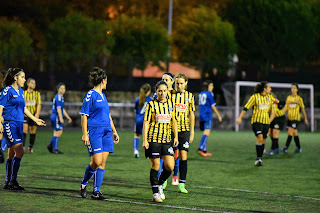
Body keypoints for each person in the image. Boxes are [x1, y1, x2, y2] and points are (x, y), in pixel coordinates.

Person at [0, 68, 45, 190]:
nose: (25, 80)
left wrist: (35, 119)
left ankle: (8, 182)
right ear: (15, 78)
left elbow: (24, 108)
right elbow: (0, 106)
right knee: (20, 151)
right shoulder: (7, 91)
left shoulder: (20, 91)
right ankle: (12, 181)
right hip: (10, 124)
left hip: (19, 124)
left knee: (11, 154)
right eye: (23, 77)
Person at [79, 67, 119, 200]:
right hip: (94, 131)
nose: (107, 82)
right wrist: (85, 134)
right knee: (96, 161)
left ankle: (96, 191)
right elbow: (84, 115)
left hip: (106, 131)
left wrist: (114, 131)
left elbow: (107, 115)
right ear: (102, 80)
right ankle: (84, 184)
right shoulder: (91, 94)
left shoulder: (103, 95)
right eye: (106, 80)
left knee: (103, 163)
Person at [143, 80, 178, 202]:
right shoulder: (151, 105)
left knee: (169, 166)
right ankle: (155, 193)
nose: (162, 93)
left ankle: (159, 184)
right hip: (153, 139)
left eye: (164, 91)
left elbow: (174, 121)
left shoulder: (171, 104)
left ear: (167, 91)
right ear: (156, 92)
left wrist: (176, 137)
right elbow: (146, 122)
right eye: (160, 91)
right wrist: (145, 140)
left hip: (167, 139)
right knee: (156, 165)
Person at [236, 81, 276, 166]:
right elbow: (246, 107)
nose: (270, 88)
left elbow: (274, 109)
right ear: (264, 89)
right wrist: (240, 117)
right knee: (260, 137)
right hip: (256, 121)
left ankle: (260, 156)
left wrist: (270, 120)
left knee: (263, 140)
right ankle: (258, 159)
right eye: (269, 87)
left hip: (266, 122)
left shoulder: (271, 97)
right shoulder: (255, 97)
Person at [171, 73, 195, 194]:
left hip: (184, 130)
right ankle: (165, 180)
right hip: (170, 130)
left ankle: (182, 183)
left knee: (183, 156)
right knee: (169, 156)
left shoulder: (190, 96)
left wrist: (192, 132)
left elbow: (191, 114)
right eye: (177, 83)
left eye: (181, 83)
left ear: (186, 83)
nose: (179, 85)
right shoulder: (170, 95)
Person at [158, 72, 180, 188]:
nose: (164, 81)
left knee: (175, 155)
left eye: (167, 80)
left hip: (174, 129)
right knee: (162, 156)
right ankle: (162, 179)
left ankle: (175, 175)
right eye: (163, 79)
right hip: (161, 131)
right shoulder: (158, 95)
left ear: (172, 82)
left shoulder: (177, 95)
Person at [198, 80, 222, 157]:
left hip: (201, 114)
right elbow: (213, 106)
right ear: (207, 86)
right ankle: (200, 147)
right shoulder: (209, 94)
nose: (212, 87)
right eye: (211, 85)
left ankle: (204, 151)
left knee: (205, 131)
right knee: (207, 132)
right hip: (207, 114)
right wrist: (218, 115)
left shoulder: (201, 93)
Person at [282, 83, 308, 153]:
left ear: (297, 89)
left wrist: (305, 118)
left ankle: (285, 147)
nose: (293, 89)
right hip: (289, 118)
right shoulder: (288, 97)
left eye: (294, 88)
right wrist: (281, 113)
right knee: (295, 133)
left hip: (296, 118)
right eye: (292, 88)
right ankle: (299, 148)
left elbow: (303, 109)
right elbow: (286, 106)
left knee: (290, 131)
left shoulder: (299, 99)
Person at [47, 83, 72, 154]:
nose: (63, 90)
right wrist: (61, 118)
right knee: (58, 132)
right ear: (58, 89)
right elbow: (58, 108)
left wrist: (68, 117)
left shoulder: (60, 97)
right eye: (61, 88)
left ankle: (51, 146)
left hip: (56, 116)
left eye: (64, 88)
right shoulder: (58, 97)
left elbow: (62, 109)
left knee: (57, 132)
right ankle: (54, 148)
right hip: (56, 116)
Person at [23, 78, 42, 154]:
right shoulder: (23, 93)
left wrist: (37, 114)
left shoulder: (37, 94)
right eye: (32, 83)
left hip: (33, 115)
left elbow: (39, 104)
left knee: (33, 130)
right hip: (25, 115)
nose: (33, 85)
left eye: (34, 83)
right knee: (24, 130)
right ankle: (23, 147)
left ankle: (30, 147)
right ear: (27, 84)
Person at [133, 83, 151, 158]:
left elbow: (135, 110)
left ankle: (136, 150)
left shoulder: (138, 99)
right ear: (149, 91)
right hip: (146, 120)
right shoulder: (150, 100)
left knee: (137, 135)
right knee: (148, 136)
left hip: (138, 120)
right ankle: (148, 153)